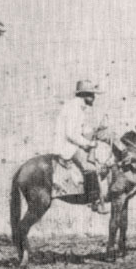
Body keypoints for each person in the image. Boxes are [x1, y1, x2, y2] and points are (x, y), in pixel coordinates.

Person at [54, 79, 108, 214]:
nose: (94, 98)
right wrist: (88, 143)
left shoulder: (80, 107)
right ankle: (93, 201)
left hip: (73, 143)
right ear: (83, 95)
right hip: (66, 146)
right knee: (90, 166)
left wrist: (95, 131)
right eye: (91, 95)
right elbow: (71, 134)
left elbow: (81, 129)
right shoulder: (73, 108)